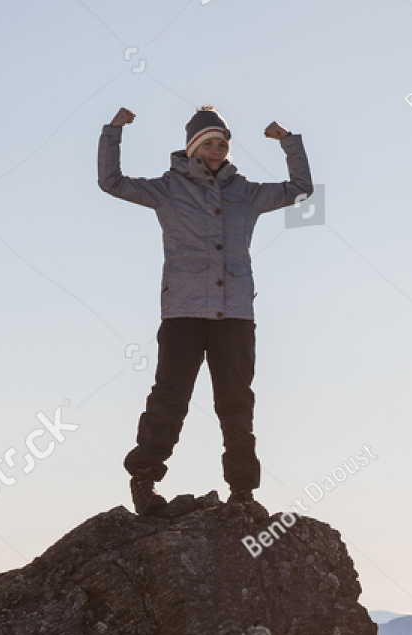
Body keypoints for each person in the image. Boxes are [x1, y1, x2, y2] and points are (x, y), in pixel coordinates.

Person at [97, 104, 312, 515]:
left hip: (234, 318)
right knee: (169, 398)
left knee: (236, 404)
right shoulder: (168, 189)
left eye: (223, 145)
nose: (217, 151)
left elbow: (300, 188)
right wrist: (114, 131)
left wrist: (288, 141)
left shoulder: (245, 193)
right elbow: (111, 182)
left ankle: (243, 493)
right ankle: (144, 479)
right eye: (210, 143)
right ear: (193, 147)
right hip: (183, 314)